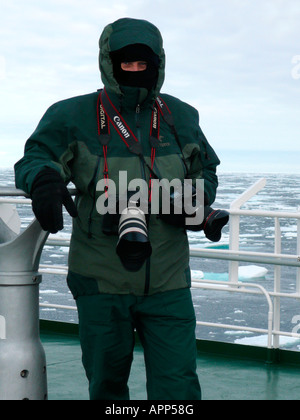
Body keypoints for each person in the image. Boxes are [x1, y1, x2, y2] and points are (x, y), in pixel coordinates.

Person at [15, 18, 222, 400]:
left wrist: (191, 200)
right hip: (100, 278)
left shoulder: (181, 116)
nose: (136, 71)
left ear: (158, 65)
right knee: (107, 386)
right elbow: (36, 157)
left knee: (178, 388)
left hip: (169, 281)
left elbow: (206, 168)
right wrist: (44, 180)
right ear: (109, 63)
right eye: (126, 63)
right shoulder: (71, 114)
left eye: (144, 64)